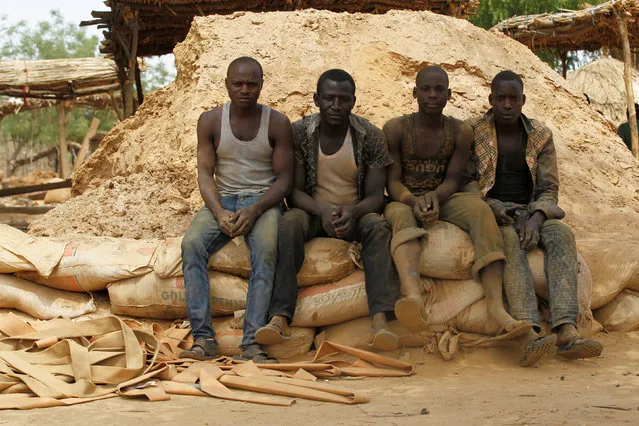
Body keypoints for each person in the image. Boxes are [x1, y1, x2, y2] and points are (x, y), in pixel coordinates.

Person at [255, 69, 401, 350]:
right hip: (313, 213)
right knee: (289, 223)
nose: (336, 106)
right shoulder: (300, 132)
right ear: (316, 99)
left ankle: (381, 320)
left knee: (378, 226)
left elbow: (375, 195)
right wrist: (322, 212)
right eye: (329, 98)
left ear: (353, 101)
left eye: (343, 99)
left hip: (355, 214)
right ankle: (279, 317)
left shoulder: (369, 135)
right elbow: (293, 193)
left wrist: (353, 213)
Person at [383, 66, 530, 340]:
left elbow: (453, 179)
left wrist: (435, 197)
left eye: (439, 90)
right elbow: (392, 183)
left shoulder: (460, 131)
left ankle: (496, 306)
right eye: (425, 89)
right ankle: (413, 297)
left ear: (449, 95)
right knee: (400, 217)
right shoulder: (396, 128)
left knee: (480, 210)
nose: (432, 95)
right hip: (405, 197)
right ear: (415, 93)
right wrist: (414, 201)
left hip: (445, 197)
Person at [469, 70, 603, 366]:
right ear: (490, 99)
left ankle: (567, 330)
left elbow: (548, 188)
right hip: (494, 210)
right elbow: (467, 183)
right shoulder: (474, 131)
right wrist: (491, 206)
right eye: (500, 98)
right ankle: (528, 331)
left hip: (531, 209)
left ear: (523, 101)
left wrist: (537, 217)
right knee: (507, 242)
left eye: (513, 99)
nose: (506, 104)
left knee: (562, 234)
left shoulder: (541, 135)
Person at [179, 57, 293, 363]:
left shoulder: (278, 123)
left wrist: (255, 209)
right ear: (227, 85)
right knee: (191, 245)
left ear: (261, 85)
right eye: (238, 84)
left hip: (263, 200)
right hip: (224, 199)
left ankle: (251, 343)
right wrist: (217, 212)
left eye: (252, 84)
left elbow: (284, 179)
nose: (245, 90)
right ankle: (204, 339)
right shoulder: (211, 121)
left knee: (267, 250)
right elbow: (205, 173)